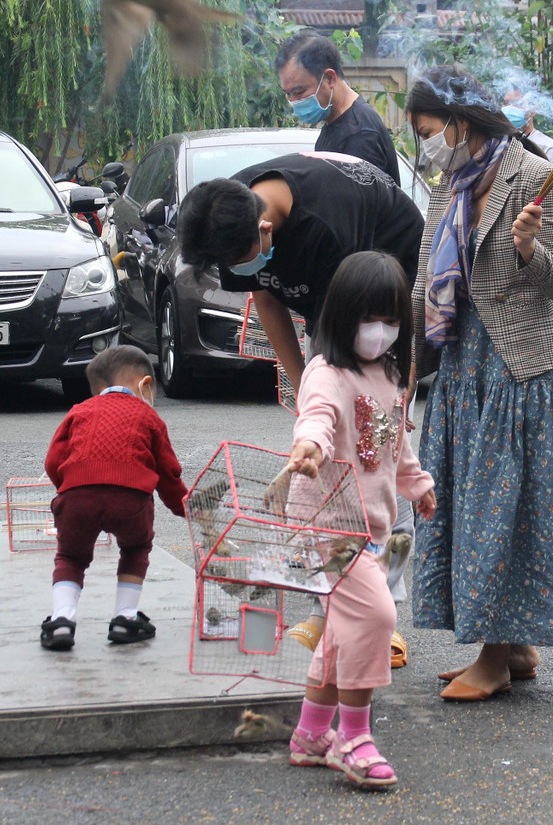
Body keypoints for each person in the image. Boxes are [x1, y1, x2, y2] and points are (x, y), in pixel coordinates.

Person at [407, 66, 553, 702]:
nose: (425, 144)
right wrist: (408, 357)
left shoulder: (532, 174)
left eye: (428, 130)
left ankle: (494, 655)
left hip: (521, 367)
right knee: (474, 503)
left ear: (460, 122)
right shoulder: (450, 182)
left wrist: (527, 249)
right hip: (464, 363)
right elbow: (425, 276)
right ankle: (517, 647)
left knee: (505, 509)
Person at [177, 152, 424, 664]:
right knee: (329, 476)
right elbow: (268, 298)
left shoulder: (328, 229)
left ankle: (385, 615)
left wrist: (391, 397)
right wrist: (308, 391)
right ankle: (329, 610)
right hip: (332, 314)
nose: (242, 270)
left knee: (375, 463)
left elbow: (367, 328)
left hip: (383, 266)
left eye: (244, 259)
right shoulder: (233, 212)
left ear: (266, 228)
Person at [284, 251, 436, 790]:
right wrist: (309, 445)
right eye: (370, 319)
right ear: (342, 315)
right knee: (375, 615)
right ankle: (354, 738)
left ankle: (310, 733)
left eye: (393, 322)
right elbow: (317, 418)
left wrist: (417, 485)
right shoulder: (328, 373)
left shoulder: (389, 374)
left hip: (367, 525)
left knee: (342, 629)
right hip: (327, 526)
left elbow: (396, 445)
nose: (380, 332)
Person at [40, 345, 187, 650]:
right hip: (130, 500)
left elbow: (54, 460)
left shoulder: (79, 411)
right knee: (135, 548)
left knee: (70, 556)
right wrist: (184, 507)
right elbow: (168, 473)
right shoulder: (148, 417)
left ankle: (62, 622)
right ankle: (125, 618)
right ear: (146, 384)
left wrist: (68, 490)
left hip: (77, 496)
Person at [276, 33, 401, 182]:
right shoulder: (334, 123)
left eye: (299, 92)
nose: (293, 101)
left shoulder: (360, 134)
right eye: (288, 94)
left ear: (329, 78)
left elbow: (357, 203)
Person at [501, 87, 553, 163]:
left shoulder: (547, 147)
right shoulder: (494, 141)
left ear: (533, 111)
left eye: (517, 104)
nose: (510, 108)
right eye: (506, 103)